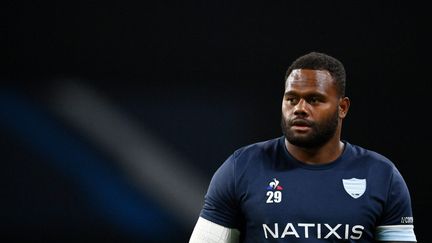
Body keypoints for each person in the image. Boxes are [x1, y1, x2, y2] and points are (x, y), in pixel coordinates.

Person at [188, 51, 417, 243]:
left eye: (314, 99)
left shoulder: (382, 176)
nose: (299, 108)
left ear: (342, 107)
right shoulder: (241, 169)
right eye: (291, 99)